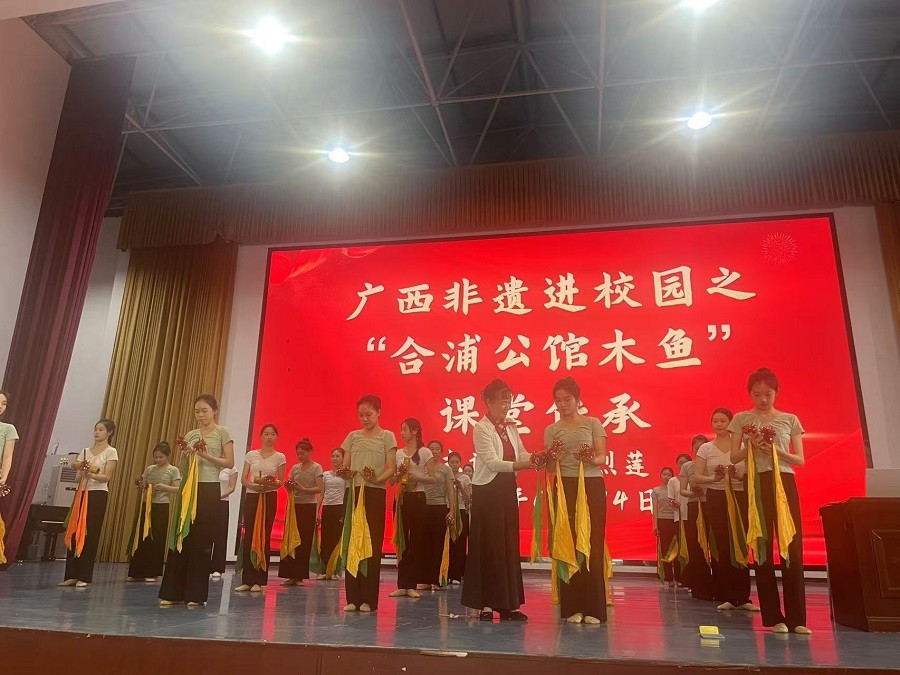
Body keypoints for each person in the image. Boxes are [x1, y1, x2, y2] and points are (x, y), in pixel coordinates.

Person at [729, 367, 809, 635]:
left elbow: (800, 459)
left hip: (784, 483)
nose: (763, 399)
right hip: (755, 483)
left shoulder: (789, 419)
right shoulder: (741, 420)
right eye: (757, 394)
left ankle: (797, 619)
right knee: (762, 548)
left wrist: (776, 451)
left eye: (768, 394)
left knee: (792, 547)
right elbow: (734, 458)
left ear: (776, 392)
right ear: (749, 394)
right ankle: (774, 617)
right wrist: (750, 445)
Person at [461, 379, 534, 622]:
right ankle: (486, 604)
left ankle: (508, 604)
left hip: (506, 489)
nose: (506, 406)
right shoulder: (481, 428)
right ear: (489, 401)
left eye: (508, 401)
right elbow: (492, 463)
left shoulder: (510, 427)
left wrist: (539, 458)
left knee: (507, 544)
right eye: (502, 401)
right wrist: (522, 465)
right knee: (490, 546)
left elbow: (522, 453)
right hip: (488, 491)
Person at [543, 377, 608, 624]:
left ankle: (594, 608)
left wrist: (589, 458)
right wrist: (554, 457)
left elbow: (601, 458)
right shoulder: (552, 429)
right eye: (558, 400)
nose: (562, 404)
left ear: (578, 399)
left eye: (567, 399)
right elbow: (550, 468)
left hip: (590, 485)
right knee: (567, 543)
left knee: (592, 544)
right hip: (564, 487)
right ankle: (572, 607)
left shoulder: (592, 423)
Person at [159, 394, 234, 607]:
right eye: (197, 411)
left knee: (202, 541)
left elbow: (229, 462)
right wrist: (187, 454)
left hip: (209, 489)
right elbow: (184, 465)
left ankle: (195, 594)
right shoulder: (192, 434)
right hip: (189, 488)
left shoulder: (222, 432)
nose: (200, 415)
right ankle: (173, 592)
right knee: (182, 536)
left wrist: (205, 455)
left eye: (204, 411)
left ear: (214, 411)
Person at [693, 408, 758, 612]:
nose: (719, 424)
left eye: (723, 421)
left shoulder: (741, 446)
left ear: (731, 423)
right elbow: (698, 476)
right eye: (715, 421)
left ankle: (744, 597)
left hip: (739, 496)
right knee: (722, 544)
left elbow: (751, 473)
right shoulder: (705, 448)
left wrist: (738, 476)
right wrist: (714, 478)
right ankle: (728, 595)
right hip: (716, 497)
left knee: (740, 542)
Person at [339, 394, 397, 613]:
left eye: (369, 414)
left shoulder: (387, 436)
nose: (365, 419)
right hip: (353, 493)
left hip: (374, 492)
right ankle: (352, 597)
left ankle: (369, 599)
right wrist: (344, 473)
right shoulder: (352, 436)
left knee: (371, 544)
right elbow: (345, 466)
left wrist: (376, 479)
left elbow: (391, 468)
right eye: (361, 415)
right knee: (352, 541)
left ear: (379, 412)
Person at [59, 419, 118, 588]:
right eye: (95, 429)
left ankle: (84, 575)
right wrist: (82, 472)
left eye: (101, 429)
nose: (97, 432)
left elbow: (106, 477)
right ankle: (71, 574)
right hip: (82, 493)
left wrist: (92, 474)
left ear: (109, 433)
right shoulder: (85, 451)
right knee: (74, 532)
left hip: (97, 495)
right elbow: (78, 476)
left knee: (90, 533)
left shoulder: (111, 452)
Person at [235, 424, 286, 593]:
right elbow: (243, 479)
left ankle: (259, 579)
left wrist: (269, 484)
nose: (269, 437)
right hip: (252, 496)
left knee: (264, 535)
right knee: (249, 534)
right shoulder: (251, 455)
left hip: (269, 497)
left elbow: (280, 481)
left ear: (276, 437)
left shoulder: (280, 457)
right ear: (261, 436)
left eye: (272, 434)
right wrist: (253, 486)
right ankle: (247, 579)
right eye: (266, 434)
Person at [389, 419, 434, 598]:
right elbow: (392, 480)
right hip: (402, 498)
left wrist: (416, 476)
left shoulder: (425, 452)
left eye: (405, 429)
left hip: (418, 498)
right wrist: (397, 475)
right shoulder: (399, 454)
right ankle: (402, 584)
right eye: (401, 429)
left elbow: (432, 478)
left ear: (414, 431)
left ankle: (412, 585)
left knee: (416, 540)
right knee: (402, 540)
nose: (402, 433)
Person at [127, 442, 181, 581]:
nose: (157, 460)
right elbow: (143, 485)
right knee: (142, 536)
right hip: (147, 504)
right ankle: (137, 572)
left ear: (168, 456)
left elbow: (178, 488)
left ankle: (153, 572)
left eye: (161, 457)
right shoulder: (150, 469)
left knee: (157, 537)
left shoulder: (173, 470)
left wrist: (165, 487)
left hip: (161, 505)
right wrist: (140, 485)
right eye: (155, 457)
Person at [279, 438, 323, 586]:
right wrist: (289, 486)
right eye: (298, 454)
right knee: (290, 539)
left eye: (303, 453)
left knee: (304, 540)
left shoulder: (316, 468)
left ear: (310, 452)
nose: (300, 456)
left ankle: (299, 576)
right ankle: (289, 575)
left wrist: (303, 489)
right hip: (294, 506)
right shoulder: (295, 468)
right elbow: (289, 483)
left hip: (308, 507)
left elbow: (319, 488)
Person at [679, 436, 714, 601]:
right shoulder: (687, 466)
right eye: (696, 448)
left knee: (715, 545)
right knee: (696, 546)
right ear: (692, 449)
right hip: (694, 506)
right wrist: (693, 493)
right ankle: (701, 588)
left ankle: (720, 587)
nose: (699, 450)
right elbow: (682, 490)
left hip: (713, 505)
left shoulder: (713, 464)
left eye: (703, 447)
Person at [421, 438, 455, 591]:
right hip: (423, 507)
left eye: (437, 449)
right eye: (431, 449)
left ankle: (438, 579)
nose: (434, 451)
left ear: (441, 452)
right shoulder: (423, 468)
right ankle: (425, 580)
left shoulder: (446, 469)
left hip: (440, 508)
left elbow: (450, 491)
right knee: (424, 544)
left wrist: (451, 510)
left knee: (438, 544)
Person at [316, 448, 347, 580]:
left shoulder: (345, 475)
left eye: (337, 456)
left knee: (336, 539)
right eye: (333, 456)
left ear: (343, 458)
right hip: (327, 508)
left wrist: (345, 512)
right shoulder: (326, 475)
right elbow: (322, 494)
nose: (335, 458)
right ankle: (324, 570)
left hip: (339, 508)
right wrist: (317, 511)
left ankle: (334, 570)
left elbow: (347, 494)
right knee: (326, 539)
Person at [0, 390, 18, 565]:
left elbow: (7, 456)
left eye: (4, 403)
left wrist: (3, 477)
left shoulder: (8, 429)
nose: (0, 406)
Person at [447, 451, 470, 585]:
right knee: (448, 543)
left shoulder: (465, 478)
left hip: (461, 511)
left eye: (457, 462)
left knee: (460, 543)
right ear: (448, 462)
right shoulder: (446, 475)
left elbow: (468, 498)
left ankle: (456, 574)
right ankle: (446, 574)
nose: (454, 465)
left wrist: (460, 486)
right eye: (452, 462)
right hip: (448, 510)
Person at [651, 467, 677, 587]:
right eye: (664, 474)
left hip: (675, 520)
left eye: (669, 474)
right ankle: (668, 577)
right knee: (665, 549)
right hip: (662, 521)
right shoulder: (656, 491)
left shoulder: (676, 489)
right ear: (660, 476)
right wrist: (655, 525)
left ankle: (679, 576)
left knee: (676, 548)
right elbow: (655, 509)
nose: (666, 477)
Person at [211, 464, 238, 579]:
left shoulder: (232, 468)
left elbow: (232, 487)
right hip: (207, 502)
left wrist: (218, 496)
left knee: (220, 534)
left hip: (222, 502)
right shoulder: (210, 465)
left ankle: (217, 567)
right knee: (205, 533)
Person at [668, 453, 691, 588]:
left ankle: (692, 578)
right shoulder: (673, 481)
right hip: (680, 518)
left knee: (692, 548)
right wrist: (675, 504)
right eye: (680, 462)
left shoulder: (693, 479)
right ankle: (680, 577)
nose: (682, 465)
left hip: (693, 516)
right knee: (680, 548)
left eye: (685, 462)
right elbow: (671, 500)